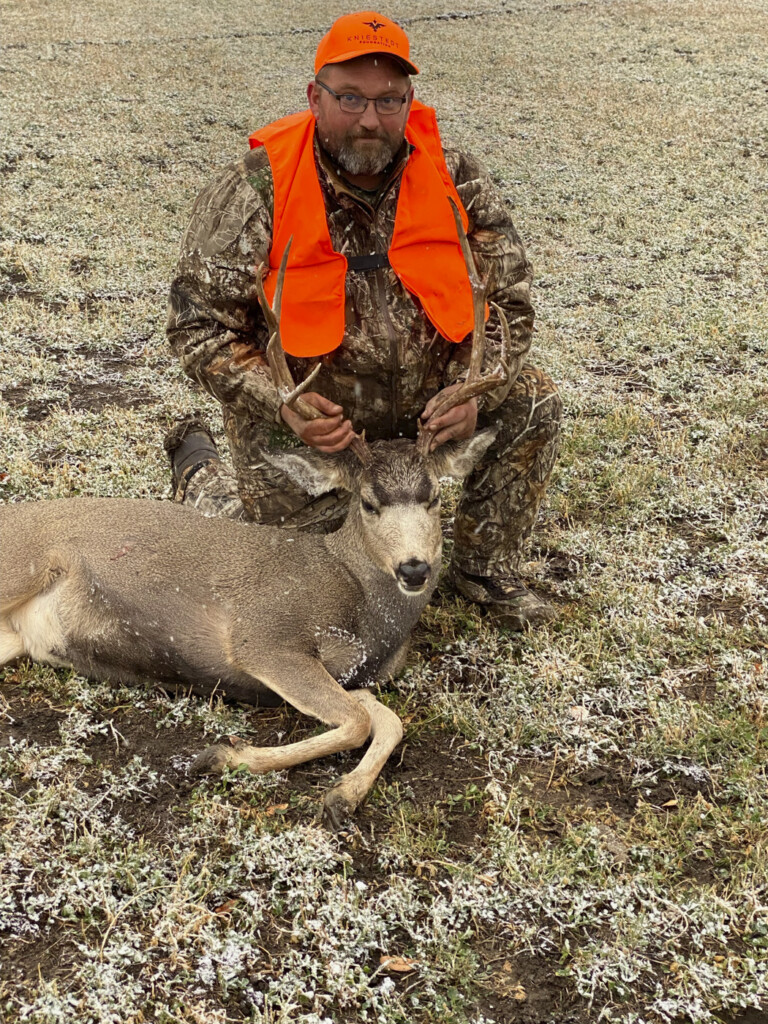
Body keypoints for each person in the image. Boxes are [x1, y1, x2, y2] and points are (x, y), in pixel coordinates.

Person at [165, 10, 562, 630]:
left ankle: (484, 570)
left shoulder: (456, 177)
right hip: (316, 431)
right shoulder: (254, 190)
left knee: (533, 400)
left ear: (409, 101)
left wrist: (475, 395)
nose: (370, 119)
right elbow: (197, 327)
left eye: (388, 100)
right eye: (350, 97)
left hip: (431, 420)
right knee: (283, 576)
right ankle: (199, 471)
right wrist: (282, 405)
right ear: (315, 97)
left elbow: (509, 302)